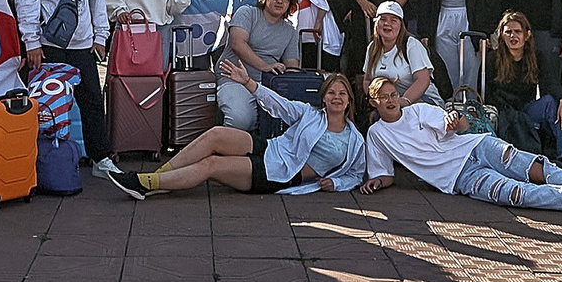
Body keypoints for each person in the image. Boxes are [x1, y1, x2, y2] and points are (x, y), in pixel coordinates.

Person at [357, 77, 562, 217]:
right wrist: (376, 183)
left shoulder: (417, 110)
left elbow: (456, 125)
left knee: (534, 168)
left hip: (475, 146)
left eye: (393, 94)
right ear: (373, 102)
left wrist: (454, 120)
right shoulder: (377, 134)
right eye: (384, 97)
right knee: (517, 194)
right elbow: (385, 174)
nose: (391, 100)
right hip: (458, 178)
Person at [102, 64, 368, 197]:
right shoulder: (310, 114)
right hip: (271, 149)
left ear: (349, 101)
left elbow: (356, 174)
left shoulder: (354, 140)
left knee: (212, 165)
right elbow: (279, 104)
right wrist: (248, 82)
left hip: (281, 174)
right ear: (323, 98)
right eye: (331, 92)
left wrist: (337, 183)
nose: (336, 97)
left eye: (342, 93)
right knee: (216, 134)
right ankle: (157, 179)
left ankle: (145, 184)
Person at [15, 0, 109, 173]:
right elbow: (26, 4)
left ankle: (101, 159)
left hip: (83, 46)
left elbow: (97, 0)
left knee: (92, 102)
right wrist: (32, 42)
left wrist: (101, 35)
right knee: (47, 107)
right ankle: (42, 161)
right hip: (48, 48)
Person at [482, 9, 562, 156]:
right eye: (508, 32)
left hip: (527, 109)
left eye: (517, 31)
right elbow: (486, 94)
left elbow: (550, 83)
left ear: (527, 34)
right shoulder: (492, 59)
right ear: (502, 35)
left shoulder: (536, 57)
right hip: (504, 114)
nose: (513, 36)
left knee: (553, 104)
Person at [224, 0, 303, 126]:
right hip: (234, 79)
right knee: (241, 120)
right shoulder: (247, 13)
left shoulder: (290, 31)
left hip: (268, 85)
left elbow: (292, 67)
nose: (280, 1)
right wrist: (265, 66)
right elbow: (237, 44)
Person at [354, 0, 437, 123]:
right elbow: (367, 80)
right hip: (388, 105)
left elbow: (423, 80)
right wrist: (376, 102)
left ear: (400, 25)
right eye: (383, 19)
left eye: (393, 20)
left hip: (419, 100)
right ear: (376, 23)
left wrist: (404, 101)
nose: (387, 24)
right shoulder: (372, 48)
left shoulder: (411, 45)